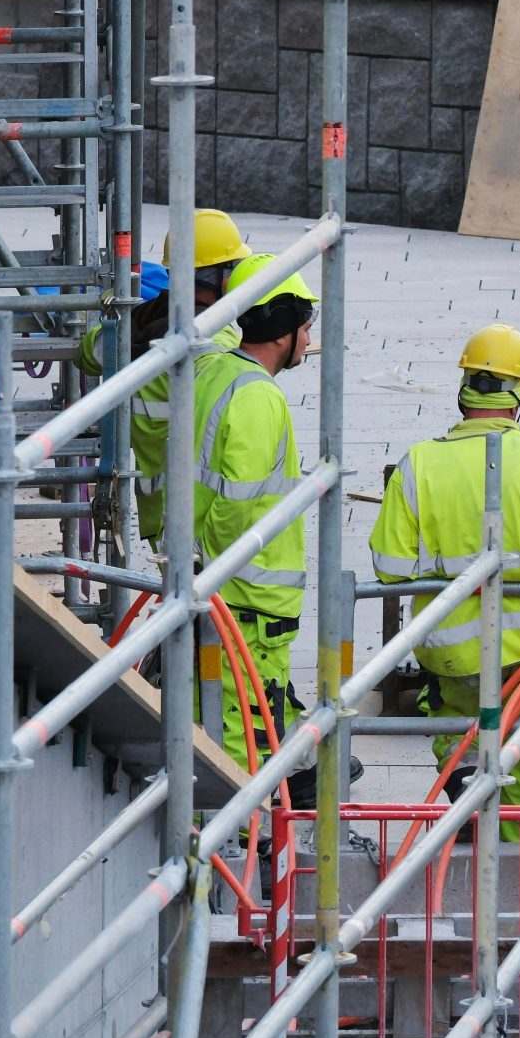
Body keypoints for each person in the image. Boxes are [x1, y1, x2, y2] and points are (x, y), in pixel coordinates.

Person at [368, 324, 520, 844]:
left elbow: (389, 565)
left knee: (459, 731)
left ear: (463, 388)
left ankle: (469, 790)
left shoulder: (418, 464)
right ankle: (515, 877)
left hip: (451, 653)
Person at [191, 253, 313, 774]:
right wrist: (219, 565)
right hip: (251, 606)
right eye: (304, 327)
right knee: (249, 735)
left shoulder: (217, 372)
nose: (308, 340)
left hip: (226, 595)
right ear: (282, 328)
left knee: (219, 722)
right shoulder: (260, 397)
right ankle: (244, 842)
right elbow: (235, 509)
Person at [78, 209, 254, 548]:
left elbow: (88, 353)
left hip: (160, 507)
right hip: (204, 509)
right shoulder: (216, 343)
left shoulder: (143, 323)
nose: (237, 280)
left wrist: (123, 322)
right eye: (231, 269)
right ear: (210, 277)